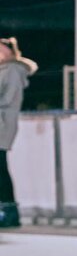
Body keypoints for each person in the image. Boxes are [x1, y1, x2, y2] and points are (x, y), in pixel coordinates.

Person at [0, 37, 37, 228]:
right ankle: (7, 210)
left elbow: (8, 97)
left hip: (2, 124)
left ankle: (9, 212)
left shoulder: (12, 69)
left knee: (0, 168)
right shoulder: (5, 70)